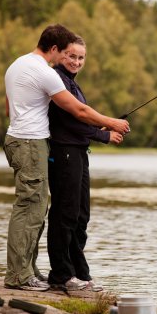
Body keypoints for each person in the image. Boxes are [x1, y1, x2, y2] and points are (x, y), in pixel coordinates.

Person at [3, 24, 130, 292]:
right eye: (66, 53)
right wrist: (109, 127)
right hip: (34, 143)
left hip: (23, 139)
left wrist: (98, 130)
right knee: (35, 210)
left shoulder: (17, 64)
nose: (68, 59)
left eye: (79, 57)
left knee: (40, 210)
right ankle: (31, 274)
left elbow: (8, 107)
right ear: (54, 49)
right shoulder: (46, 73)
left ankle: (32, 270)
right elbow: (77, 111)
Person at [48, 36, 124, 291]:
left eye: (81, 57)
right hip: (64, 152)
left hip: (79, 152)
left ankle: (80, 273)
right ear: (60, 54)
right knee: (65, 213)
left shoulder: (72, 84)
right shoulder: (56, 80)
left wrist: (97, 130)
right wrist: (105, 133)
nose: (76, 61)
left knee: (81, 216)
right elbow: (72, 120)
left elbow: (80, 121)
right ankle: (60, 275)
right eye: (72, 55)